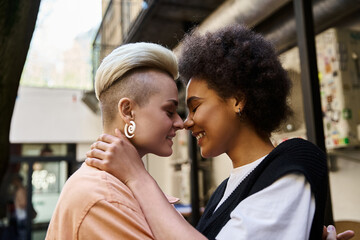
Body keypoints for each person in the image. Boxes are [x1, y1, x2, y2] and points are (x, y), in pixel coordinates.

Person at [86, 25, 355, 240]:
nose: (186, 123)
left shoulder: (295, 160)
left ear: (237, 100)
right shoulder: (224, 191)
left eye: (195, 107)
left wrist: (137, 177)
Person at [45, 42, 184, 239]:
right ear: (128, 111)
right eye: (170, 111)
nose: (180, 122)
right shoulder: (104, 198)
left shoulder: (115, 186)